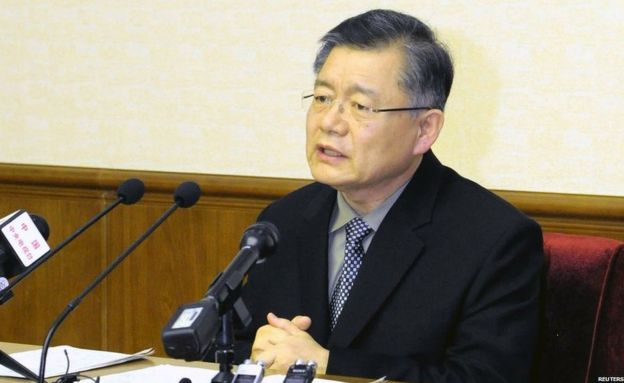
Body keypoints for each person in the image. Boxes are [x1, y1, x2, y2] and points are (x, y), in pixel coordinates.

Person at [235, 9, 544, 383]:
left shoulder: (493, 239)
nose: (330, 122)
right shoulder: (283, 221)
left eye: (361, 106)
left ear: (424, 129)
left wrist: (329, 364)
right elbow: (233, 343)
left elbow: (484, 377)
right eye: (322, 97)